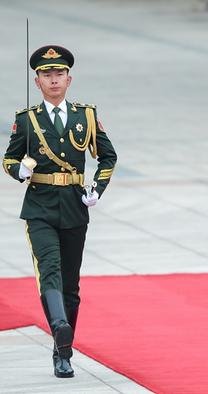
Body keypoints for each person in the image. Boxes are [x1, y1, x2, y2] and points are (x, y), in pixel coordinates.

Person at [2, 45, 117, 378]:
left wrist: (97, 188)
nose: (53, 80)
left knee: (70, 284)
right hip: (39, 206)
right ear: (37, 82)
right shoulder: (27, 120)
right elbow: (9, 158)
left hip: (74, 205)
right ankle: (60, 327)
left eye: (58, 74)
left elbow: (107, 157)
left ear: (69, 79)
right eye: (46, 75)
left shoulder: (87, 116)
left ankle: (61, 351)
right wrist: (18, 171)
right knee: (48, 269)